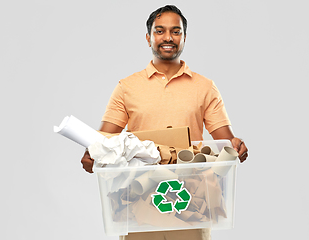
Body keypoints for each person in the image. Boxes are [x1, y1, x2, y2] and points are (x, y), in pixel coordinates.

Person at [81, 5, 248, 240]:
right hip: (139, 203)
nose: (168, 37)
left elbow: (226, 139)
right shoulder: (127, 88)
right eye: (160, 31)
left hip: (190, 201)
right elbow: (104, 139)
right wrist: (94, 153)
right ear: (148, 37)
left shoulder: (204, 87)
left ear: (184, 38)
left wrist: (236, 146)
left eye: (175, 31)